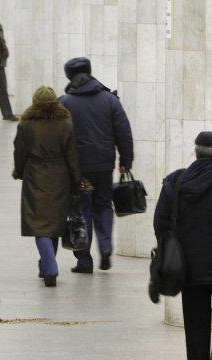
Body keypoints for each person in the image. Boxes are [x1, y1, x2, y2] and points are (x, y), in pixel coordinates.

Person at [153, 131, 212, 360]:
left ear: (195, 153)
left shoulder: (176, 182)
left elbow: (161, 225)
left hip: (189, 269)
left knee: (195, 325)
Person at [59, 57, 133, 274]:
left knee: (81, 208)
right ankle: (106, 245)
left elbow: (59, 137)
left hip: (78, 170)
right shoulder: (110, 100)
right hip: (103, 166)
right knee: (103, 204)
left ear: (70, 77)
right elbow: (124, 133)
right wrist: (126, 161)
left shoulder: (65, 102)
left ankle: (84, 260)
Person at [13, 87, 81, 287]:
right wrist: (77, 180)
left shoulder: (26, 124)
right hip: (60, 177)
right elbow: (72, 155)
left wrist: (19, 171)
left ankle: (49, 267)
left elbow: (19, 151)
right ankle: (46, 265)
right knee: (54, 223)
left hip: (35, 176)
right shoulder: (65, 123)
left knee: (39, 225)